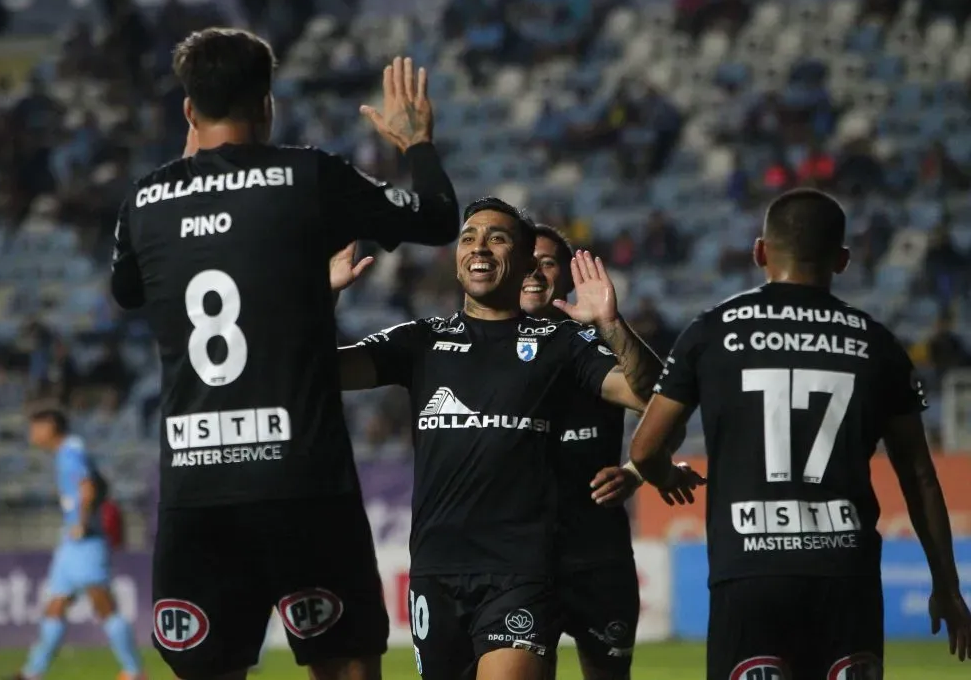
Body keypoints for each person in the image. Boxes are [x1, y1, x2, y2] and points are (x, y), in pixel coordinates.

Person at [110, 27, 459, 680]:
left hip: (196, 484)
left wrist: (185, 176)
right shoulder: (307, 176)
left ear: (188, 109)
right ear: (266, 103)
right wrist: (416, 142)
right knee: (346, 664)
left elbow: (129, 289)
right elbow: (439, 217)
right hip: (301, 479)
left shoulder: (144, 201)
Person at [332, 197, 701, 680]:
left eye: (497, 238)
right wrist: (325, 298)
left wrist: (610, 325)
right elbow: (325, 370)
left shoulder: (559, 343)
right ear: (458, 260)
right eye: (469, 238)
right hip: (436, 569)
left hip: (520, 572)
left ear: (526, 263)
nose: (479, 247)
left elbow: (651, 396)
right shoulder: (420, 340)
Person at [629, 188, 971, 679]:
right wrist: (947, 585)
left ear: (760, 252)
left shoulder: (711, 332)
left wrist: (667, 476)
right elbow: (919, 476)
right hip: (846, 576)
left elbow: (645, 449)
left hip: (748, 573)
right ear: (843, 260)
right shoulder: (878, 344)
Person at [521, 224, 643, 680]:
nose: (535, 272)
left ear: (567, 278)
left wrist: (637, 470)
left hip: (598, 555)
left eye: (547, 262)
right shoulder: (480, 348)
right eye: (525, 262)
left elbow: (663, 402)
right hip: (521, 562)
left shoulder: (599, 348)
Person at [8, 409, 144, 680]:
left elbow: (87, 487)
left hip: (85, 541)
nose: (32, 434)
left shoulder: (71, 451)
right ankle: (32, 673)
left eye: (36, 427)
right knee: (56, 605)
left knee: (103, 603)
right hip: (70, 543)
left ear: (50, 426)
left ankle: (134, 672)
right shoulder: (67, 452)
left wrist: (82, 521)